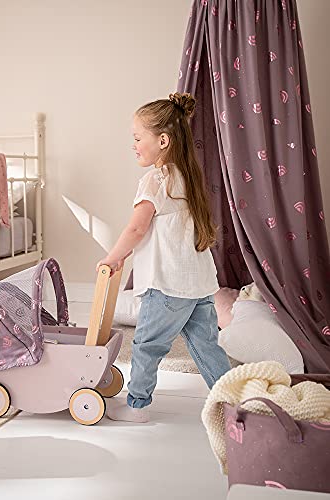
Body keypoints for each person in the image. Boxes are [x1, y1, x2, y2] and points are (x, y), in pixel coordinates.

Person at [96, 92, 231, 423]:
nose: (133, 145)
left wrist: (112, 257)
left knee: (147, 344)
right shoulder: (187, 177)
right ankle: (232, 401)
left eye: (137, 138)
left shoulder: (156, 180)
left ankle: (137, 405)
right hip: (199, 284)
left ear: (162, 141)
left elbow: (136, 229)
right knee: (207, 346)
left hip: (167, 284)